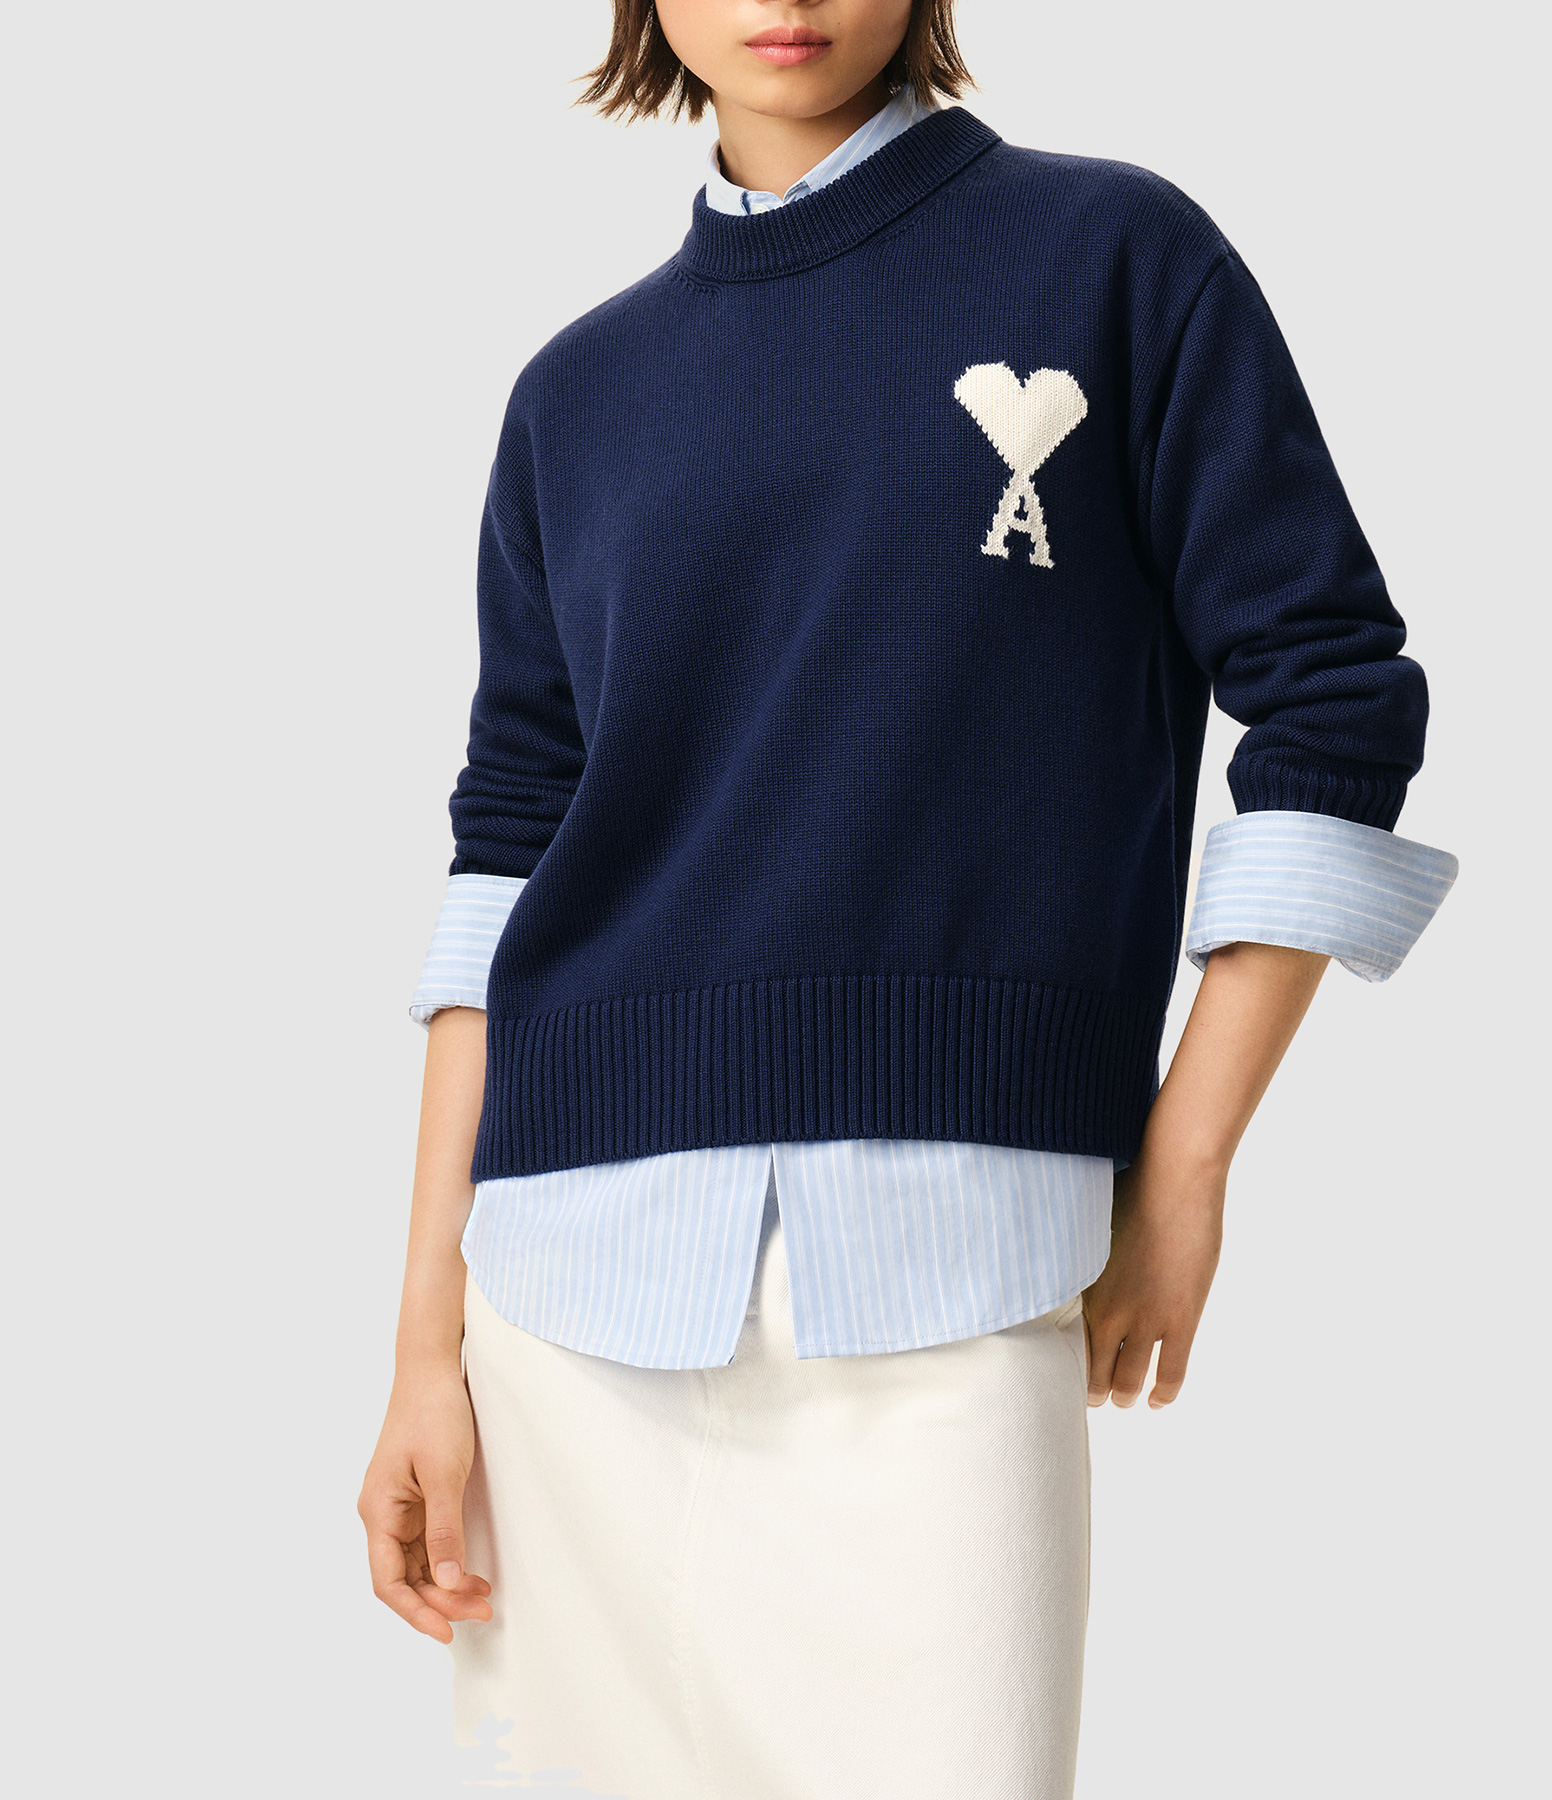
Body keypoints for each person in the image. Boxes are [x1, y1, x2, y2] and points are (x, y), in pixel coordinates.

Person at [358, 4, 1459, 1795]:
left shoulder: (1115, 256)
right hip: (562, 1304)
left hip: (958, 1265)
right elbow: (507, 853)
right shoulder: (575, 390)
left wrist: (1183, 1163)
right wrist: (424, 1346)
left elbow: (1331, 697)